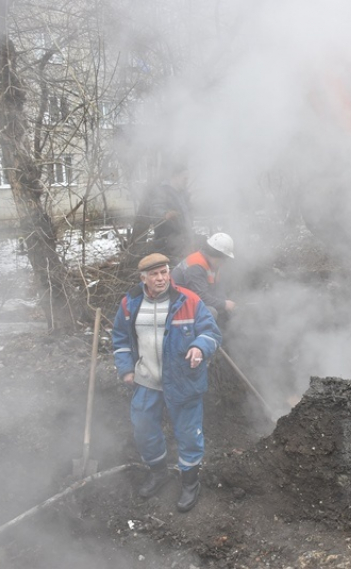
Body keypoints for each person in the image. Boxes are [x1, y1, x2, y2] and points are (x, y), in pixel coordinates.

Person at [112, 253, 222, 512]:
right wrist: (126, 369)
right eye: (154, 274)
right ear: (143, 278)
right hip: (147, 380)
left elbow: (211, 332)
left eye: (164, 272)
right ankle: (158, 472)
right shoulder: (130, 304)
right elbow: (120, 339)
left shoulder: (189, 300)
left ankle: (190, 482)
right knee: (143, 428)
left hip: (184, 381)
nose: (161, 278)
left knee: (187, 433)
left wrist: (199, 347)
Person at [131, 165, 194, 266]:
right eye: (184, 178)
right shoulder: (163, 192)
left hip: (183, 242)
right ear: (175, 176)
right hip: (167, 243)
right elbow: (155, 209)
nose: (186, 181)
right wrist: (165, 214)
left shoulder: (183, 194)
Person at [171, 233, 236, 327]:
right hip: (178, 305)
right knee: (210, 312)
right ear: (217, 255)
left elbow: (216, 291)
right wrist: (224, 304)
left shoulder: (212, 265)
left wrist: (226, 303)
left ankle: (223, 338)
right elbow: (200, 297)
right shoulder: (196, 266)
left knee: (224, 311)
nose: (224, 262)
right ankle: (204, 339)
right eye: (224, 258)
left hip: (190, 301)